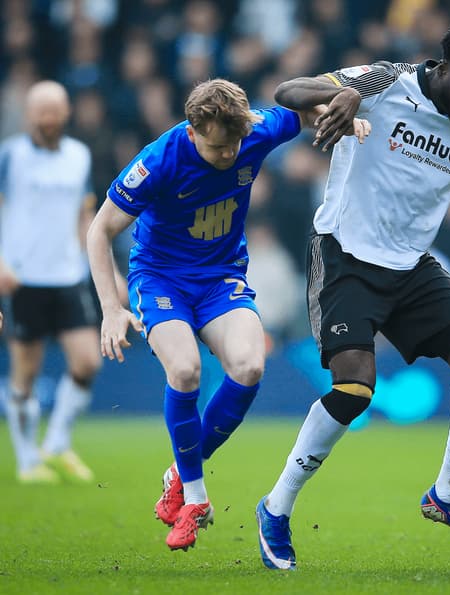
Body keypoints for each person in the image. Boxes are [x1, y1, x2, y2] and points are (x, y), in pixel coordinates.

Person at [255, 22, 450, 571]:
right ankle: (276, 509)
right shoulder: (382, 81)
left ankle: (447, 495)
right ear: (444, 69)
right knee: (354, 389)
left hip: (413, 266)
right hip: (345, 253)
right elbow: (287, 93)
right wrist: (341, 92)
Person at [87, 78, 368, 552]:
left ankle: (181, 468)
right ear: (194, 131)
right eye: (219, 146)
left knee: (250, 365)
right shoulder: (158, 161)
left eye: (236, 143)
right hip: (161, 280)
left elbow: (299, 113)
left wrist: (337, 114)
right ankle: (194, 497)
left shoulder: (254, 130)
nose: (229, 154)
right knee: (185, 369)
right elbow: (100, 230)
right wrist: (111, 309)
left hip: (220, 277)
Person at [0, 80, 103, 485]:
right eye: (40, 111)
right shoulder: (10, 155)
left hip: (67, 273)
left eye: (54, 110)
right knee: (26, 370)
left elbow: (84, 214)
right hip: (22, 276)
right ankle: (27, 460)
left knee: (88, 362)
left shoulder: (79, 155)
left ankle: (57, 442)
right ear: (29, 114)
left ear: (66, 113)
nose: (47, 118)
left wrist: (94, 261)